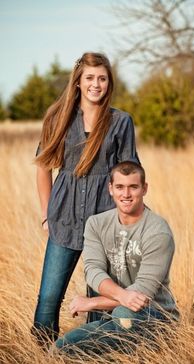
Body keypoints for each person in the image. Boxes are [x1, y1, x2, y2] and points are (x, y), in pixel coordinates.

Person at [32, 52, 140, 344]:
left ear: (109, 83)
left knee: (100, 300)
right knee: (48, 298)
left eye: (102, 78)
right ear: (78, 82)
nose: (96, 84)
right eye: (90, 78)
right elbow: (43, 168)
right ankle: (41, 354)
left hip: (105, 225)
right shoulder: (59, 118)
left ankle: (89, 351)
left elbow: (129, 175)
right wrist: (46, 214)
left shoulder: (121, 122)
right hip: (64, 219)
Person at [54, 161, 179, 355]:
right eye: (120, 187)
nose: (126, 194)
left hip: (156, 318)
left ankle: (144, 354)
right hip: (111, 320)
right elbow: (93, 271)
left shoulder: (158, 232)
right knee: (61, 349)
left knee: (124, 313)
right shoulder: (96, 224)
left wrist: (92, 303)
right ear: (110, 189)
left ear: (144, 189)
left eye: (133, 187)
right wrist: (122, 296)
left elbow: (140, 297)